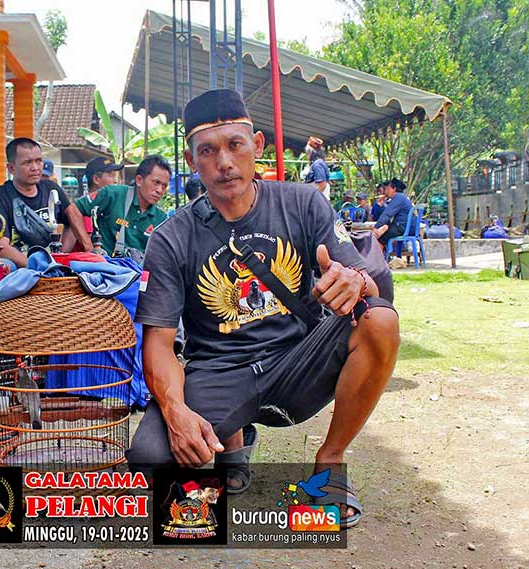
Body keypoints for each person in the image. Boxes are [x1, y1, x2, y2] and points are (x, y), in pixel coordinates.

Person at [126, 89, 399, 529]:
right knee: (150, 460)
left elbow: (371, 279)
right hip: (220, 371)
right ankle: (233, 445)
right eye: (207, 151)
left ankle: (330, 463)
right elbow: (158, 343)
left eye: (235, 145)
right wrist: (176, 413)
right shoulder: (171, 238)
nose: (224, 162)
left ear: (257, 144)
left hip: (297, 360)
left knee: (379, 319)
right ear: (191, 160)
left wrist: (355, 280)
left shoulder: (303, 202)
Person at [0, 137, 91, 269]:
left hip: (49, 262)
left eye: (39, 161)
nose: (35, 168)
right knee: (5, 266)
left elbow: (72, 217)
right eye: (27, 163)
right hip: (19, 267)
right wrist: (39, 268)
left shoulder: (51, 189)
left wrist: (60, 256)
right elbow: (1, 247)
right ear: (11, 168)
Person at [68, 155, 170, 256]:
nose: (159, 190)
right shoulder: (113, 194)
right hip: (106, 264)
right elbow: (73, 209)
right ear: (139, 180)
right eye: (156, 183)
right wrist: (89, 247)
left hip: (139, 265)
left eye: (164, 186)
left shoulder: (161, 219)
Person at [372, 178, 413, 248]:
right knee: (383, 231)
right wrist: (381, 206)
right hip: (405, 227)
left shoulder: (399, 197)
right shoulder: (401, 197)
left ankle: (379, 254)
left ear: (394, 189)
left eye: (387, 189)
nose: (386, 192)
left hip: (403, 227)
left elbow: (387, 214)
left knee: (379, 237)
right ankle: (385, 253)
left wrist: (376, 227)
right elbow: (387, 212)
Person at [304, 136, 331, 200]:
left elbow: (322, 185)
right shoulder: (318, 163)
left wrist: (310, 198)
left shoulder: (318, 164)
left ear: (310, 152)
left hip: (318, 201)